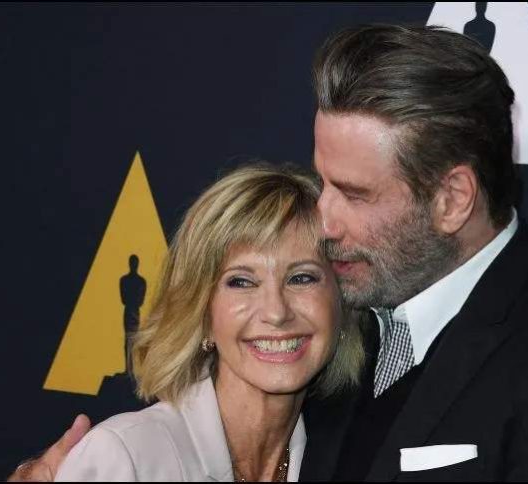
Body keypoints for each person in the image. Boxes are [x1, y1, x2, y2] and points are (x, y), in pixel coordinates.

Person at [9, 24, 528, 482]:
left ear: (452, 199)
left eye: (354, 193)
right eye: (323, 182)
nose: (322, 221)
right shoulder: (338, 335)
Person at [40, 164, 364, 481]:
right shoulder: (128, 458)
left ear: (341, 303)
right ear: (203, 313)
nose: (276, 312)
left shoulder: (348, 460)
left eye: (302, 277)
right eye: (241, 282)